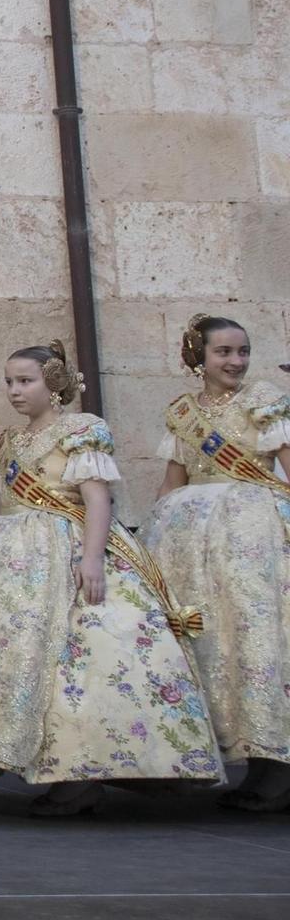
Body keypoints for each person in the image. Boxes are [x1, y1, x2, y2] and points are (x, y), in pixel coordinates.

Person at [0, 340, 222, 816]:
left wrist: (90, 560)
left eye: (25, 381)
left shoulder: (80, 430)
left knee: (82, 660)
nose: (14, 390)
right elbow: (0, 504)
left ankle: (82, 778)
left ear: (53, 385)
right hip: (12, 560)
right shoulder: (10, 440)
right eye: (9, 381)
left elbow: (96, 500)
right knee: (30, 664)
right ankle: (51, 767)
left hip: (71, 552)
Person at [145, 315, 290, 812]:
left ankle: (275, 769)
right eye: (224, 352)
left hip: (252, 533)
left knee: (254, 640)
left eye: (243, 351)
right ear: (198, 357)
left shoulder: (263, 401)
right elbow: (173, 481)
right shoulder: (184, 413)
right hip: (188, 540)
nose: (236, 361)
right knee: (209, 643)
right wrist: (148, 542)